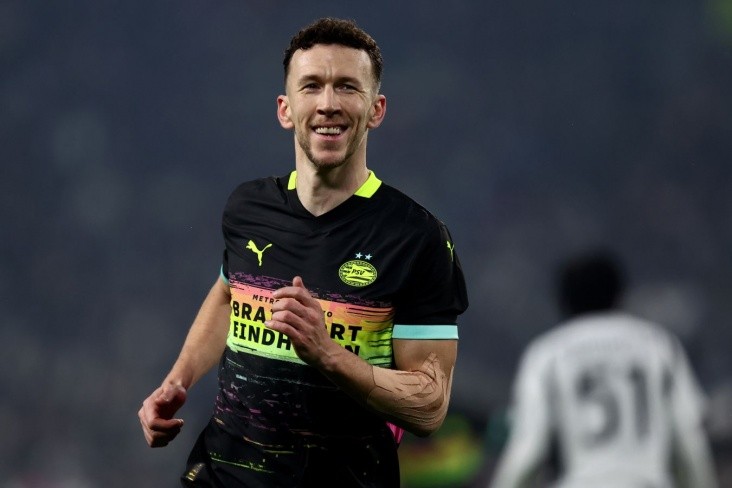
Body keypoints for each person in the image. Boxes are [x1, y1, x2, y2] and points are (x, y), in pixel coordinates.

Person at [138, 17, 469, 487]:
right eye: (311, 86)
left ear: (376, 110)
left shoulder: (417, 238)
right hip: (223, 475)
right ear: (286, 109)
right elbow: (230, 294)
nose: (328, 103)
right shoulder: (248, 207)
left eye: (347, 87)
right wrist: (178, 380)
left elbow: (429, 407)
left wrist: (327, 353)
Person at [489, 250, 718, 488]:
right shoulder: (659, 345)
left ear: (564, 299)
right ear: (619, 293)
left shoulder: (547, 353)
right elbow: (689, 438)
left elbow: (528, 447)